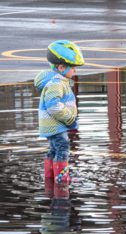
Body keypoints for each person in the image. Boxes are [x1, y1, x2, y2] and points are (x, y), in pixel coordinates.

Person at [34, 40, 85, 184]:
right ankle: (62, 180)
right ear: (61, 67)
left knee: (53, 150)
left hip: (52, 126)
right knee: (63, 149)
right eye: (73, 68)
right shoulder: (56, 84)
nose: (75, 71)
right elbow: (53, 106)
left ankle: (50, 177)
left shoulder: (59, 81)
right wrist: (69, 118)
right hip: (56, 126)